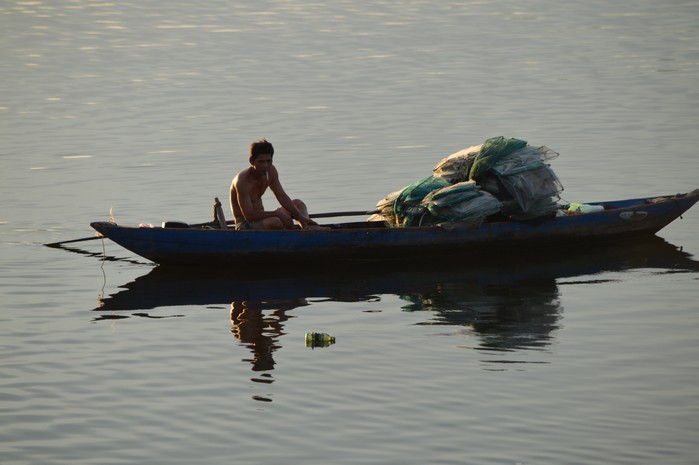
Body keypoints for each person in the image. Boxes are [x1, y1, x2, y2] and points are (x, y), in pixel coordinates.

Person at [229, 139, 321, 230]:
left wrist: (300, 216)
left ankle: (306, 227)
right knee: (276, 221)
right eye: (261, 162)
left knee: (298, 204)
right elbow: (249, 215)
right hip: (246, 224)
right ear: (252, 161)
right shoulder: (242, 182)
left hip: (264, 218)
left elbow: (281, 196)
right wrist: (278, 214)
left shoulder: (271, 171)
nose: (265, 165)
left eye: (269, 161)